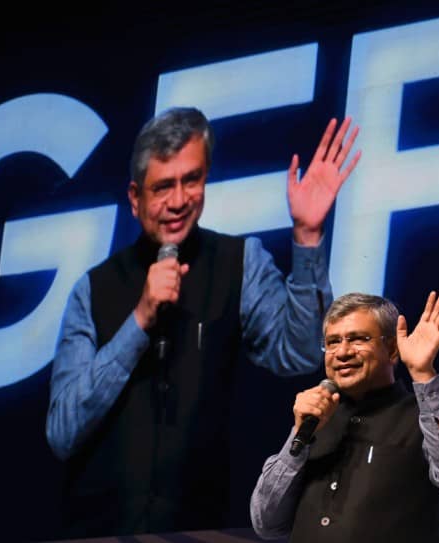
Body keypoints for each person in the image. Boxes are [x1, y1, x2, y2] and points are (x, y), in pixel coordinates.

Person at [45, 107, 361, 537]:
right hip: (100, 531)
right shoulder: (92, 289)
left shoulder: (239, 263)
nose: (178, 201)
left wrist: (307, 236)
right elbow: (63, 432)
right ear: (135, 198)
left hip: (196, 529)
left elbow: (302, 351)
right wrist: (139, 321)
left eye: (191, 180)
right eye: (163, 187)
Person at [250, 290, 439, 542]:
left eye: (358, 339)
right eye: (332, 342)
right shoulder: (315, 420)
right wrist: (299, 435)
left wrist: (423, 373)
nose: (342, 352)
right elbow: (266, 523)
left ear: (391, 349)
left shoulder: (424, 416)